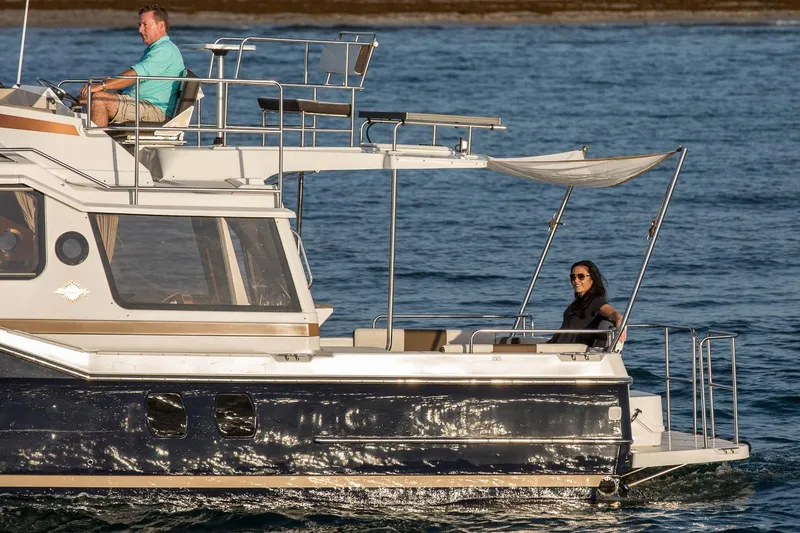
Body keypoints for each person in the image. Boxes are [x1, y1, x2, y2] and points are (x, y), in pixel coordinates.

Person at [79, 5, 185, 127]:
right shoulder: (156, 49)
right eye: (139, 25)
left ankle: (96, 144)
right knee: (82, 100)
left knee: (100, 99)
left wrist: (102, 85)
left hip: (155, 110)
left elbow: (135, 75)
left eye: (145, 25)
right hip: (141, 103)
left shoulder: (165, 50)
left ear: (161, 25)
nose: (140, 30)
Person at [548, 260, 627, 347]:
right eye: (573, 277)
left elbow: (612, 313)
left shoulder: (596, 301)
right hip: (557, 347)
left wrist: (619, 322)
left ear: (592, 279)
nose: (576, 280)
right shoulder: (578, 302)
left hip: (570, 351)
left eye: (581, 276)